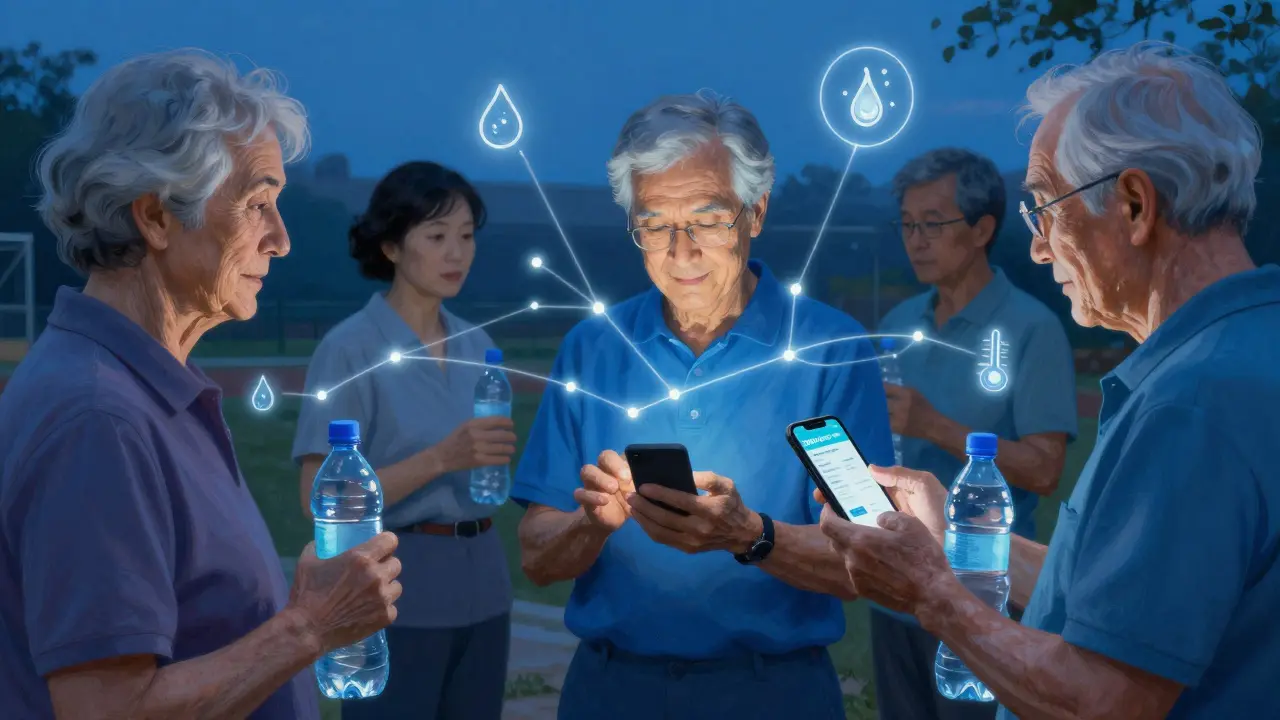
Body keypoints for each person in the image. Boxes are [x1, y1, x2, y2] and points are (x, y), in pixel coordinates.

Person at [819, 42, 1280, 719]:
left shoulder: (1191, 402)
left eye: (1045, 208)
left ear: (1133, 205)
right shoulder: (1247, 347)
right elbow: (1114, 605)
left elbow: (1103, 702)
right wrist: (953, 537)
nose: (1038, 246)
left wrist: (928, 593)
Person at [0, 49, 402, 720]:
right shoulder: (99, 417)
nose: (281, 238)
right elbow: (106, 710)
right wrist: (309, 627)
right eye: (257, 202)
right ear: (155, 217)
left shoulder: (146, 387)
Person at [512, 90, 894, 720]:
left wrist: (749, 535)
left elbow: (870, 562)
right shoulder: (592, 349)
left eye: (708, 220)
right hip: (610, 692)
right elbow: (534, 554)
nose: (680, 250)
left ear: (756, 212)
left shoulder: (830, 351)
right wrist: (591, 525)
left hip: (773, 694)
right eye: (656, 224)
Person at [292, 160, 517, 720]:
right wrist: (441, 458)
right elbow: (313, 499)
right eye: (436, 236)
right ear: (391, 247)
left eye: (466, 237)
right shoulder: (350, 349)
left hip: (485, 587)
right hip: (394, 595)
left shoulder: (478, 347)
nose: (456, 253)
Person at [873, 147, 1079, 720]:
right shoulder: (897, 326)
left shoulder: (1031, 329)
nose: (916, 240)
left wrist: (933, 425)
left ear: (983, 228)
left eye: (933, 223)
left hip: (984, 598)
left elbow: (1044, 468)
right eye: (908, 224)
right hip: (894, 593)